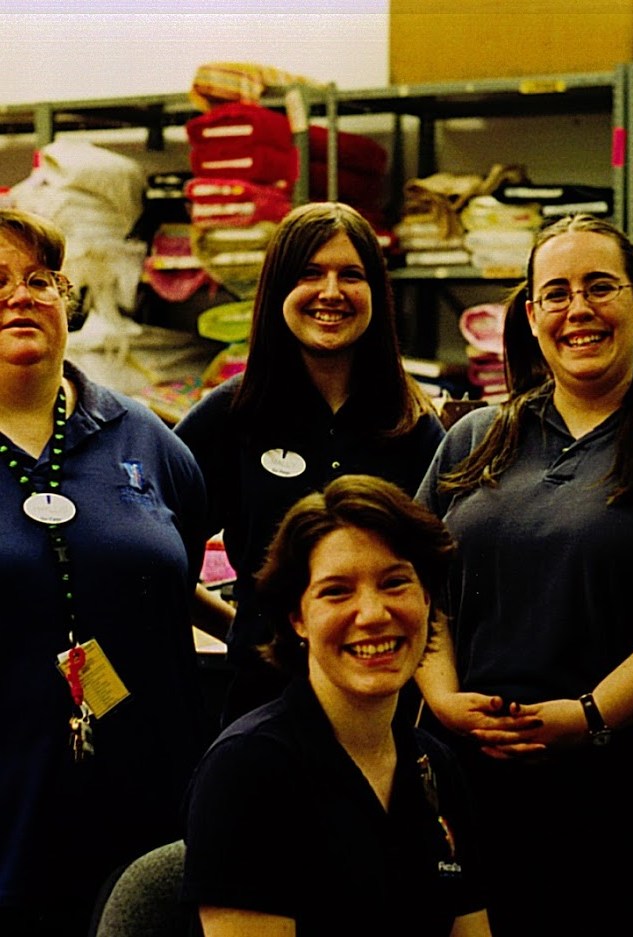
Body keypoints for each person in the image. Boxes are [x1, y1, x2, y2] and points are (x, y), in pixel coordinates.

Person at [416, 213, 633, 936]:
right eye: (556, 293)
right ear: (531, 314)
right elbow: (413, 584)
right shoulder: (475, 437)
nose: (577, 309)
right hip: (481, 789)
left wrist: (589, 716)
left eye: (599, 287)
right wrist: (445, 701)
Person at [0, 208, 209, 937]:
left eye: (41, 280)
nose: (21, 296)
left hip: (149, 809)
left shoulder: (143, 435)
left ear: (67, 301)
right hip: (11, 820)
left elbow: (177, 571)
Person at [182, 474, 491, 937]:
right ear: (297, 618)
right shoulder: (246, 771)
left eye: (395, 583)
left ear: (427, 599)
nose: (373, 614)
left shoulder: (436, 766)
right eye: (337, 591)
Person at [174, 201, 444, 724]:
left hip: (384, 709)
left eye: (351, 275)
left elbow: (444, 585)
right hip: (264, 705)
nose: (331, 292)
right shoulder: (231, 416)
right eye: (309, 274)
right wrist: (242, 628)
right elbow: (157, 557)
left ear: (376, 293)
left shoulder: (412, 425)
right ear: (278, 289)